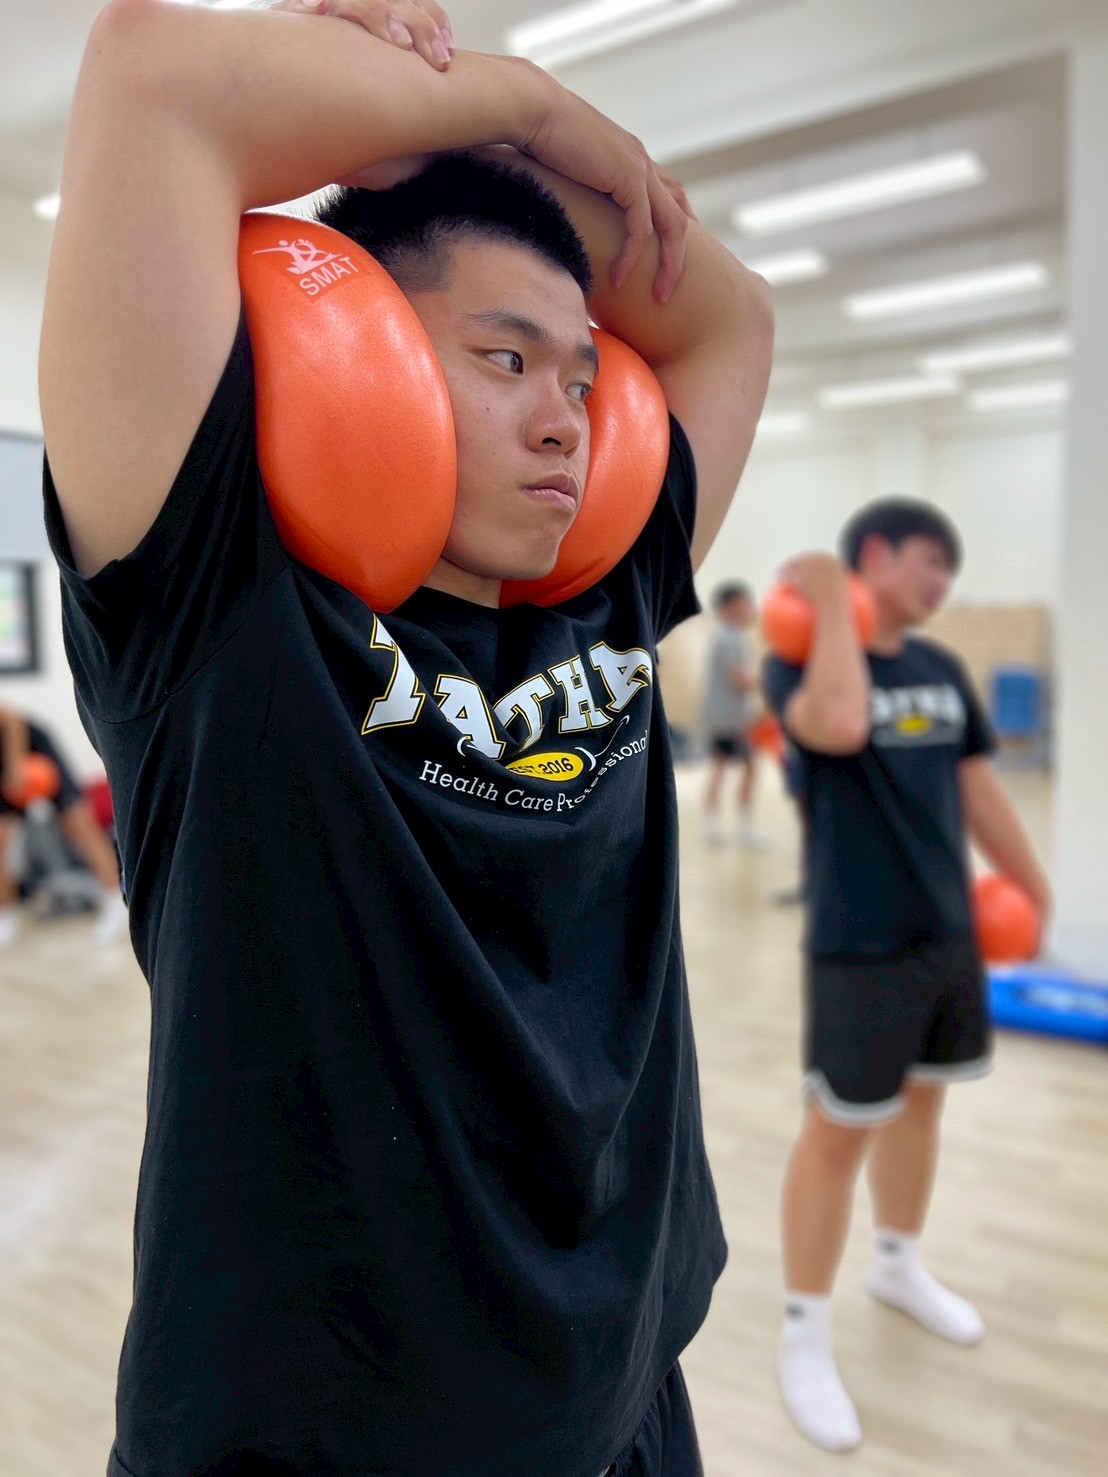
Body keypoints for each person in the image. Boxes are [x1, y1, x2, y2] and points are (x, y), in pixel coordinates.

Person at [39, 2, 774, 1473]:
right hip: (321, 1439)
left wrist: (485, 163)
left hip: (625, 1394)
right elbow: (154, 73)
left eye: (580, 377)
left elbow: (731, 317)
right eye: (506, 361)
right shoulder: (223, 610)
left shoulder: (612, 597)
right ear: (360, 350)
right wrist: (521, 106)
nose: (566, 420)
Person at [762, 499, 1051, 1453]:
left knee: (924, 1105)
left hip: (946, 933)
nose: (942, 584)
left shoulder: (941, 669)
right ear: (876, 555)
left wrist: (1033, 884)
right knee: (838, 1131)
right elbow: (842, 725)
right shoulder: (800, 661)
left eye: (949, 569)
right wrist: (827, 600)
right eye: (929, 561)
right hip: (859, 942)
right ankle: (805, 1332)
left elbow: (976, 785)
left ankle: (896, 1262)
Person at [0, 704, 128, 948]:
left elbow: (10, 718)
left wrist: (15, 765)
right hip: (3, 764)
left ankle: (115, 900)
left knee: (77, 823)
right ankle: (5, 917)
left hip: (28, 749)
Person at [701, 581, 768, 847]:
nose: (750, 607)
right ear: (731, 606)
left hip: (727, 717)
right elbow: (738, 676)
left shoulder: (729, 635)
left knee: (724, 767)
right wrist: (772, 684)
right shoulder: (729, 636)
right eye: (745, 602)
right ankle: (740, 825)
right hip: (728, 719)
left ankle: (716, 823)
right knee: (744, 767)